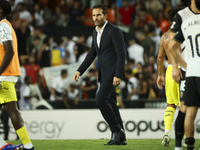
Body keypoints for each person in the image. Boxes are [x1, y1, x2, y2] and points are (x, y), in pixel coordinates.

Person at [73, 4, 126, 145]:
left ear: (105, 15)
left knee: (100, 99)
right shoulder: (95, 32)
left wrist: (118, 75)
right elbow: (92, 54)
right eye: (93, 15)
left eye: (98, 15)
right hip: (103, 75)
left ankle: (116, 130)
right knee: (112, 104)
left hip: (112, 74)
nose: (95, 18)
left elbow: (121, 54)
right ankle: (121, 137)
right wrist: (80, 70)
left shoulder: (114, 31)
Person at [0, 0, 35, 150]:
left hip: (4, 75)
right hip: (6, 74)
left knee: (12, 110)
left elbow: (10, 51)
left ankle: (28, 146)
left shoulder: (3, 26)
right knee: (12, 110)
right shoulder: (5, 26)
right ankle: (4, 145)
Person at [169, 0, 200, 149]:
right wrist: (175, 66)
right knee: (184, 108)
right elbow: (171, 43)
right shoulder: (182, 15)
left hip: (192, 67)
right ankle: (178, 145)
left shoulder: (190, 21)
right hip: (188, 68)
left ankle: (188, 146)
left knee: (189, 109)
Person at [157, 8, 187, 149]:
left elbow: (159, 58)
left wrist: (159, 75)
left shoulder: (164, 36)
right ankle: (187, 137)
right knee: (186, 106)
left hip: (169, 70)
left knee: (171, 105)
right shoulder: (186, 32)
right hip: (185, 70)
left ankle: (167, 132)